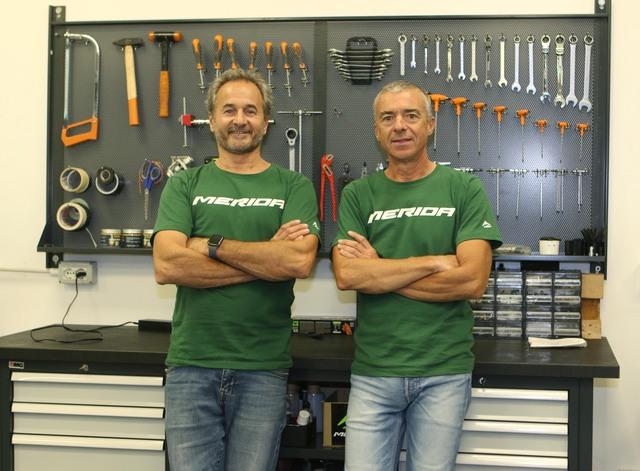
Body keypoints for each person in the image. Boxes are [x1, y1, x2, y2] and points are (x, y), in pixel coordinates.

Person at [152, 68, 320, 471]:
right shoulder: (184, 185)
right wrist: (267, 259)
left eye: (250, 110)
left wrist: (210, 246)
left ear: (266, 121)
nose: (239, 120)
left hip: (262, 367)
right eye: (229, 110)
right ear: (212, 120)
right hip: (192, 365)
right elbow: (167, 264)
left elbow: (297, 261)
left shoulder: (293, 186)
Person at [332, 80, 502, 471]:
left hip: (444, 371)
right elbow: (348, 276)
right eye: (387, 118)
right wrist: (434, 262)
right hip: (375, 372)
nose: (399, 126)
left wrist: (380, 268)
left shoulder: (463, 189)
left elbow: (472, 281)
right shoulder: (357, 195)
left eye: (411, 115)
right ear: (377, 131)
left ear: (430, 124)